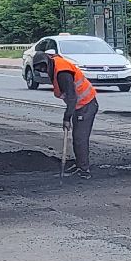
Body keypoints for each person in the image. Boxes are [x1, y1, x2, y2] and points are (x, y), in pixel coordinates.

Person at [36, 50, 98, 179]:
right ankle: (80, 164)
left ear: (48, 61)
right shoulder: (56, 65)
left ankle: (84, 170)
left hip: (86, 105)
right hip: (79, 106)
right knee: (77, 137)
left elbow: (72, 97)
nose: (42, 69)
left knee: (80, 138)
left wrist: (66, 118)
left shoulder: (63, 72)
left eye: (43, 66)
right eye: (39, 68)